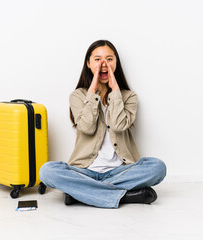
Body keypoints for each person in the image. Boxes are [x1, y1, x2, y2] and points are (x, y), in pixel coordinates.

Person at [39, 40, 166, 208]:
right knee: (47, 171)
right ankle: (124, 197)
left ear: (116, 63)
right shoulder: (77, 96)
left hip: (121, 171)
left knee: (158, 167)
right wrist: (92, 91)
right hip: (84, 171)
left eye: (109, 59)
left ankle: (80, 194)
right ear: (88, 64)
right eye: (98, 59)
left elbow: (119, 126)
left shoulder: (129, 97)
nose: (103, 64)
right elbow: (87, 127)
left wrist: (115, 91)